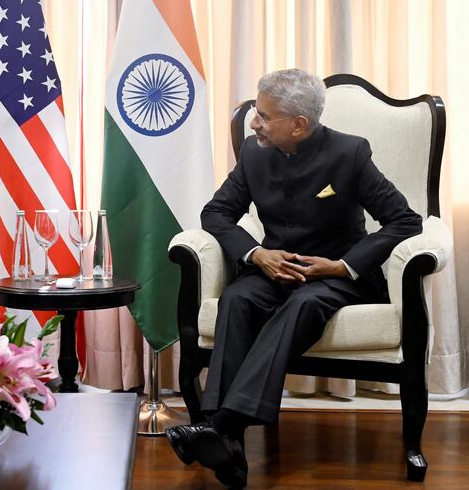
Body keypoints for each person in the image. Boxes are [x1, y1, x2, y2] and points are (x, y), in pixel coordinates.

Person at [165, 69, 422, 487]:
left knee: (304, 303)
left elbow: (405, 221)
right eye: (255, 113)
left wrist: (342, 266)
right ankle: (229, 452)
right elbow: (216, 213)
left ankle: (220, 424)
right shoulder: (253, 152)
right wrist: (257, 254)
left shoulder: (350, 154)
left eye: (264, 116)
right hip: (271, 270)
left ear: (298, 124)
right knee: (237, 299)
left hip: (336, 276)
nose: (254, 123)